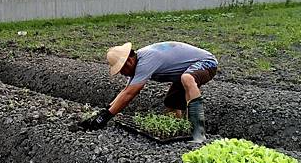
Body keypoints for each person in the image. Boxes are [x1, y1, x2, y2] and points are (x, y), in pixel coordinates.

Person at [79, 42, 218, 143]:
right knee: (171, 102)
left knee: (187, 78)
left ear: (128, 62)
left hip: (206, 63)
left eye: (121, 70)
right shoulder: (138, 62)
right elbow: (125, 91)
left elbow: (130, 94)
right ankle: (179, 133)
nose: (121, 74)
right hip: (184, 70)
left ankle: (198, 130)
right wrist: (103, 112)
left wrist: (104, 118)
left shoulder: (146, 60)